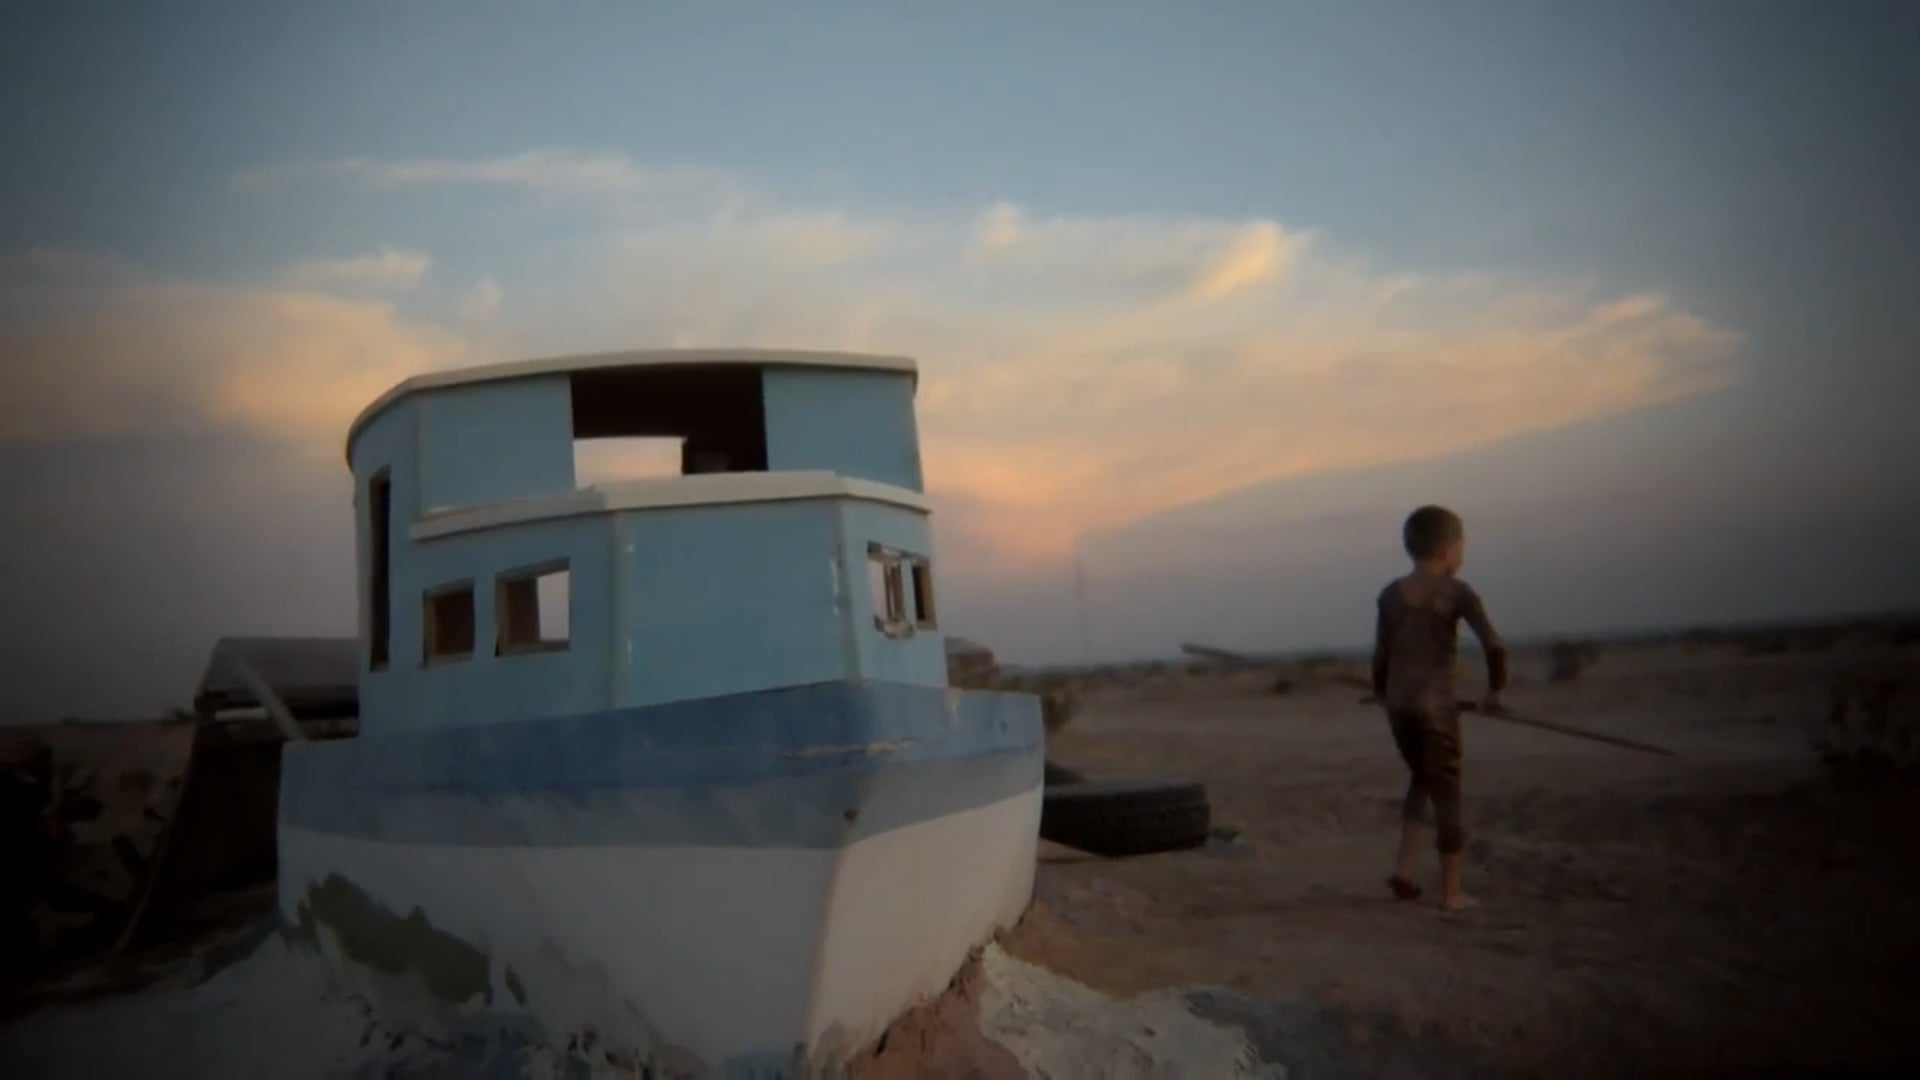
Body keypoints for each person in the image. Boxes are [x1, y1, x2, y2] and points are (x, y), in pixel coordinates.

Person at [1371, 504, 1507, 913]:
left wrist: (1381, 693)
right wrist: (1495, 694)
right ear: (1447, 549)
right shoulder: (1456, 592)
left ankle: (1404, 872)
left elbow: (1382, 658)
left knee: (1422, 779)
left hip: (1399, 707)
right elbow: (1494, 646)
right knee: (1447, 790)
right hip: (1435, 708)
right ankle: (1451, 892)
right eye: (1461, 547)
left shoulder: (1390, 595)